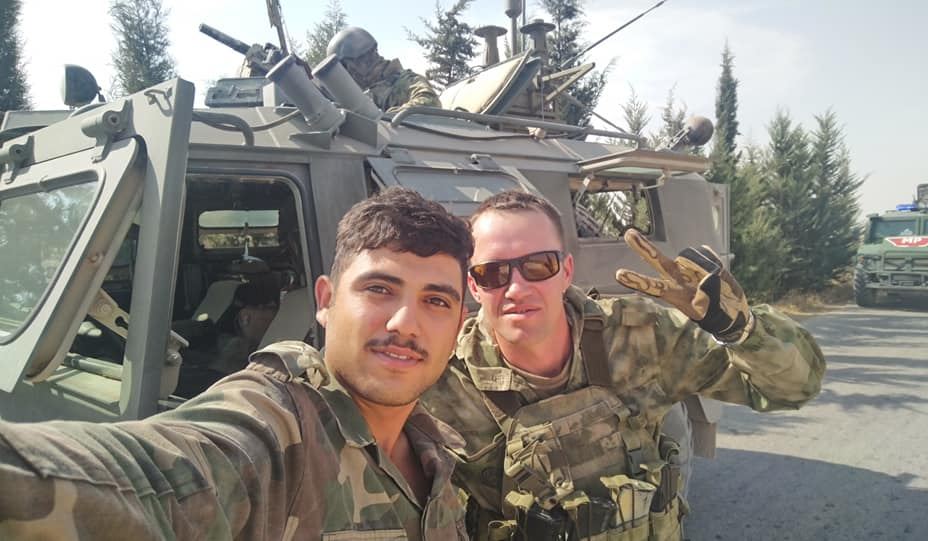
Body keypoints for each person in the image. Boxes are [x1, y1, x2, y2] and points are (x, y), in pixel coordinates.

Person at [0, 187, 473, 540]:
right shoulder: (279, 428)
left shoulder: (440, 452)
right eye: (379, 289)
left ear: (457, 329)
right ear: (325, 302)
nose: (406, 322)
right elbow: (160, 478)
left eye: (436, 301)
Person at [420, 190, 827, 540]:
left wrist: (742, 330)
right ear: (473, 285)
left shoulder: (642, 337)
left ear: (566, 271)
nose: (517, 288)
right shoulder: (440, 380)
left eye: (538, 266)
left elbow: (794, 387)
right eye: (493, 273)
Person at [326, 26, 442, 113]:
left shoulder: (405, 80)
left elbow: (430, 103)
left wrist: (383, 120)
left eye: (347, 69)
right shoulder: (363, 95)